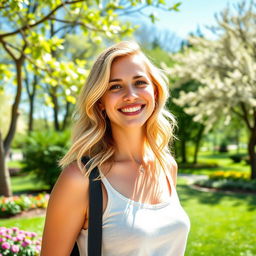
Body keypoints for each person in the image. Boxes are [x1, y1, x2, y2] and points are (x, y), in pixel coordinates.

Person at [41, 41, 190, 256]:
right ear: (100, 101)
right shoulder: (80, 178)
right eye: (115, 86)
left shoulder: (167, 167)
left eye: (140, 82)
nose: (130, 95)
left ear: (155, 92)